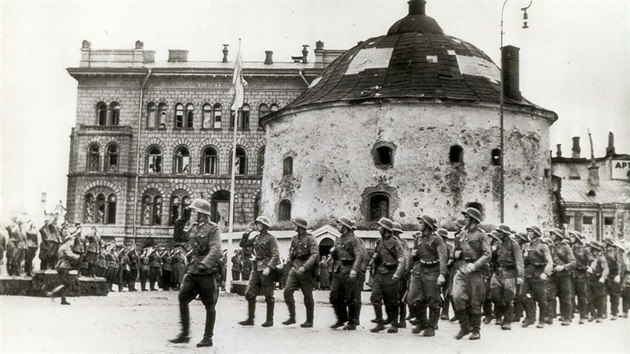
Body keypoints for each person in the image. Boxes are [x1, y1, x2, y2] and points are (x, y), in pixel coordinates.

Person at [169, 198, 222, 348]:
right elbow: (178, 238)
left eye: (194, 212)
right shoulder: (193, 228)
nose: (193, 214)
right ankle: (185, 334)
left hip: (206, 272)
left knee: (209, 305)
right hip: (193, 270)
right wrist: (183, 219)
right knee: (182, 297)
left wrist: (206, 264)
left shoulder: (213, 229)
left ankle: (208, 338)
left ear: (202, 214)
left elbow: (216, 249)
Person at [452, 207, 491, 340]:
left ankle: (475, 330)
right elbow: (456, 250)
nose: (465, 219)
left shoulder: (482, 235)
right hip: (462, 268)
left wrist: (475, 265)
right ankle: (465, 326)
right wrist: (456, 253)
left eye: (467, 217)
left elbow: (487, 254)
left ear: (474, 219)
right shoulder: (462, 234)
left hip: (476, 271)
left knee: (475, 301)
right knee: (456, 296)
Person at [407, 215, 447, 337]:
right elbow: (415, 256)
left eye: (421, 222)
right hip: (420, 270)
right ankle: (422, 322)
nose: (418, 224)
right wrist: (413, 256)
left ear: (428, 225)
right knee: (413, 298)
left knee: (432, 299)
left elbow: (443, 257)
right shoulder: (418, 239)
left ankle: (431, 326)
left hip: (433, 271)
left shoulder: (437, 239)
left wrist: (442, 274)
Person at [239, 216, 280, 327]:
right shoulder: (256, 238)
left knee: (268, 294)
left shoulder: (271, 238)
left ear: (265, 226)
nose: (257, 226)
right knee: (249, 293)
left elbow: (276, 255)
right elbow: (243, 244)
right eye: (257, 224)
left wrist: (269, 267)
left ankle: (269, 320)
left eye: (260, 224)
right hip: (256, 268)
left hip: (266, 269)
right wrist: (247, 232)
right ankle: (250, 319)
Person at [329, 216, 367, 330]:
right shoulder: (338, 239)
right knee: (334, 296)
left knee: (351, 297)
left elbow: (360, 255)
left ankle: (352, 321)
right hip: (340, 269)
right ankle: (341, 318)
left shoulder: (354, 240)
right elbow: (336, 256)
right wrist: (333, 253)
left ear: (346, 227)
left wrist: (355, 269)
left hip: (350, 269)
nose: (338, 227)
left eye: (340, 225)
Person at [369, 217, 405, 334]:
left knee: (392, 301)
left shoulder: (396, 242)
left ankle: (394, 324)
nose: (378, 228)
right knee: (375, 297)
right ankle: (380, 323)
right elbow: (377, 252)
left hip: (391, 273)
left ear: (386, 229)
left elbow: (402, 260)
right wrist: (373, 259)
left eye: (380, 227)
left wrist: (397, 274)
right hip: (380, 273)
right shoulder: (379, 241)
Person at [282, 217, 319, 328]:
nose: (294, 227)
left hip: (306, 271)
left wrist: (305, 267)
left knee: (307, 295)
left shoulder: (310, 239)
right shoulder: (294, 239)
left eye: (295, 225)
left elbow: (314, 255)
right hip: (295, 267)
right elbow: (291, 252)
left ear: (300, 227)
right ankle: (292, 317)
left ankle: (309, 320)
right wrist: (291, 258)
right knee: (287, 291)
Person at [489, 224, 524, 330]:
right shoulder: (497, 243)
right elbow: (493, 258)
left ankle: (507, 321)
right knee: (495, 296)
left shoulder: (514, 244)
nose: (498, 234)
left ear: (505, 234)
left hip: (509, 273)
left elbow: (519, 260)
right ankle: (499, 315)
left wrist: (520, 276)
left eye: (500, 232)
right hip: (498, 272)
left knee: (508, 298)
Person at [520, 225, 553, 329]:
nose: (529, 234)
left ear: (536, 234)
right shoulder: (527, 246)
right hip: (528, 273)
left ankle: (543, 319)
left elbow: (549, 261)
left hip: (539, 273)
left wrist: (546, 273)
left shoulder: (543, 246)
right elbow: (523, 262)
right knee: (524, 295)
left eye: (531, 232)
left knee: (541, 298)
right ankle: (530, 317)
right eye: (528, 232)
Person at [547, 228, 576, 326]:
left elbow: (573, 262)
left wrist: (563, 267)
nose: (550, 236)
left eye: (552, 234)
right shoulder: (550, 247)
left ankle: (567, 317)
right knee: (550, 296)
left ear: (557, 236)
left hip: (564, 275)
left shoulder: (566, 247)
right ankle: (550, 316)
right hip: (553, 275)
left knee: (565, 297)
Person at [47, 233, 80, 305]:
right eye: (72, 240)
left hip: (60, 266)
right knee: (67, 283)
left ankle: (63, 299)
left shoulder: (62, 246)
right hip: (64, 266)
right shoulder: (66, 247)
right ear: (68, 240)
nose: (73, 242)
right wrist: (76, 256)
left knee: (65, 283)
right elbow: (69, 255)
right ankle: (53, 293)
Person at [569, 231, 593, 324]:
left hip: (582, 275)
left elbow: (592, 261)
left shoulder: (585, 250)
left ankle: (583, 316)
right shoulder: (569, 249)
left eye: (572, 236)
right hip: (571, 275)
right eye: (570, 236)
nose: (571, 238)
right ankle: (569, 315)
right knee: (570, 296)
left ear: (577, 238)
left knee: (582, 296)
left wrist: (589, 268)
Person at [587, 240, 609, 322]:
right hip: (591, 279)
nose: (589, 249)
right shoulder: (591, 257)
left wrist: (603, 278)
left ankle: (600, 315)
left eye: (591, 247)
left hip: (598, 279)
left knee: (600, 298)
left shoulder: (601, 258)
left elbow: (606, 269)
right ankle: (593, 314)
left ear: (595, 249)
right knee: (590, 298)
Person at [603, 237, 624, 320]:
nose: (603, 243)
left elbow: (620, 264)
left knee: (614, 295)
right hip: (606, 276)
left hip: (614, 276)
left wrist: (618, 275)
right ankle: (604, 312)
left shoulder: (616, 252)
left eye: (604, 242)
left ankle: (614, 313)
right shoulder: (604, 252)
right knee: (603, 294)